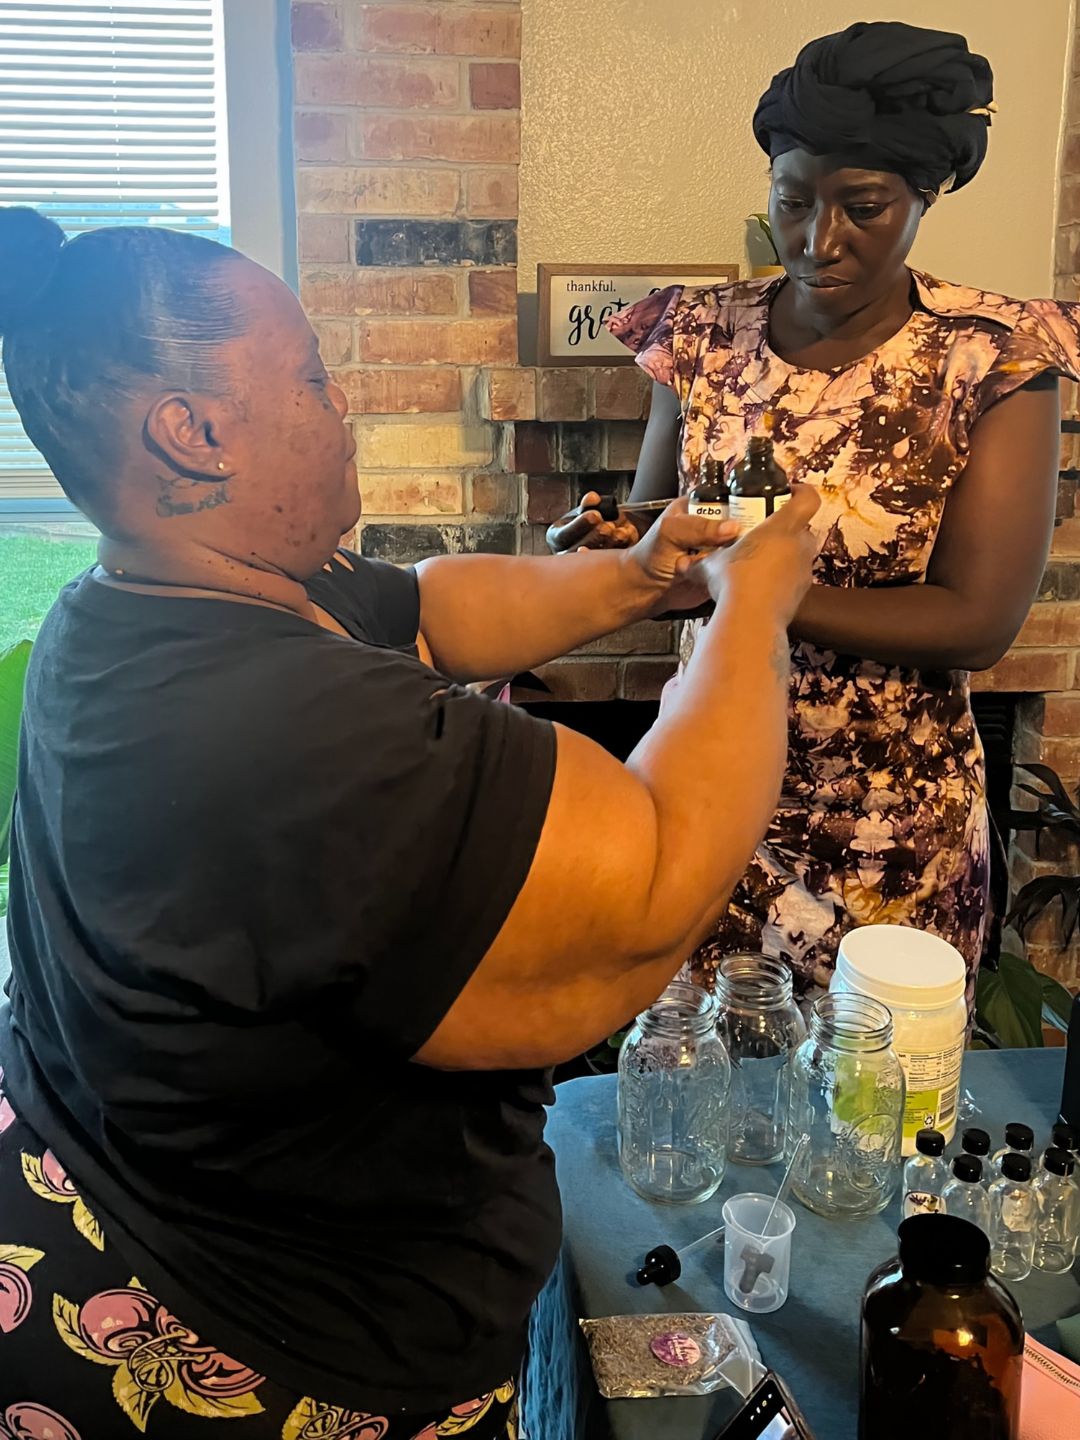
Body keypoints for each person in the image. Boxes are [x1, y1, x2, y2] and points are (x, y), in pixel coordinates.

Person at [0, 207, 818, 1434]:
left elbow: (431, 610)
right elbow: (654, 884)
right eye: (314, 378)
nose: (343, 407)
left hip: (127, 1189)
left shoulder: (151, 595)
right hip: (262, 1340)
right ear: (195, 432)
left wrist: (646, 571)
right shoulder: (288, 730)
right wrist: (751, 610)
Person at [549, 20, 1080, 1005]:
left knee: (873, 1109)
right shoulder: (701, 333)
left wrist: (752, 583)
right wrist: (631, 549)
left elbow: (977, 620)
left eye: (864, 207)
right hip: (706, 790)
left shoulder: (991, 356)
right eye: (793, 201)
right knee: (700, 1082)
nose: (818, 239)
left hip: (893, 829)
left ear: (927, 196)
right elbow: (665, 542)